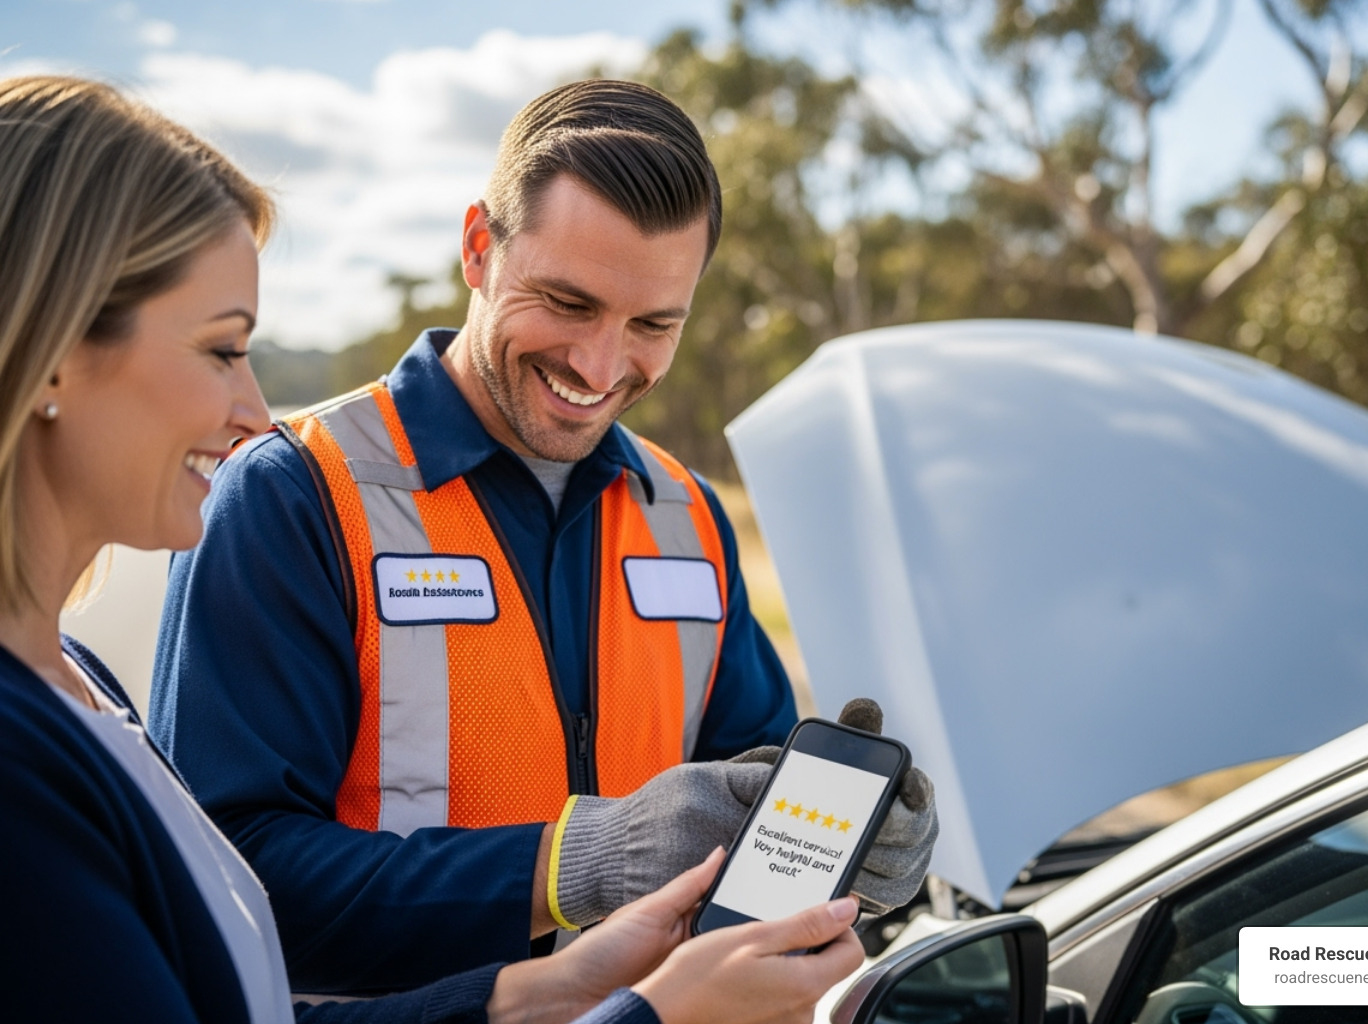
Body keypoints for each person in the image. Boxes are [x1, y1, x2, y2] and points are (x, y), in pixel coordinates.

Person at [0, 73, 868, 1024]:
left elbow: (742, 801)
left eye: (654, 324)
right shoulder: (298, 493)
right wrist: (580, 864)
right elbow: (233, 878)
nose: (601, 364)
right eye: (568, 303)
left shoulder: (689, 514)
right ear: (478, 249)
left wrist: (832, 844)